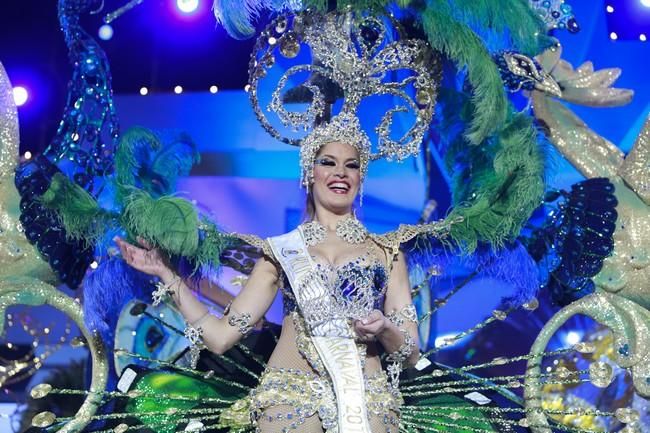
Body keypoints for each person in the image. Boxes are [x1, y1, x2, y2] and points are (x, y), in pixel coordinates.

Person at [115, 129, 420, 432]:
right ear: (309, 173)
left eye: (351, 165)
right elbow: (221, 338)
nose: (340, 172)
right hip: (289, 396)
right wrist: (167, 275)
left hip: (368, 399)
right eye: (328, 162)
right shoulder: (281, 252)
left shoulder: (387, 253)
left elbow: (410, 353)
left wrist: (385, 328)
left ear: (360, 176)